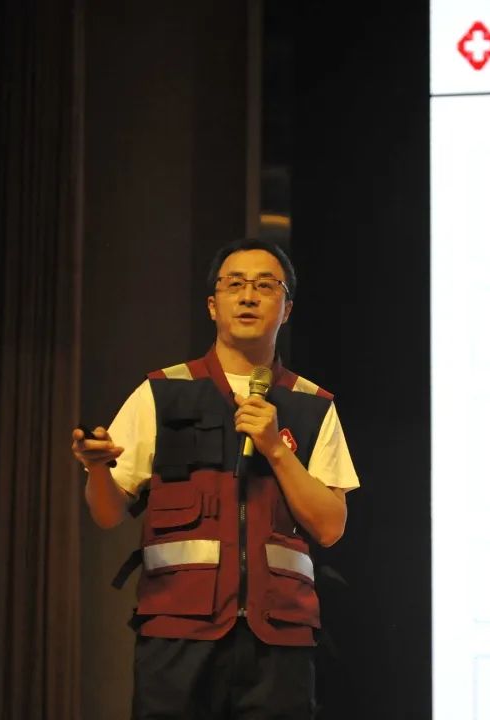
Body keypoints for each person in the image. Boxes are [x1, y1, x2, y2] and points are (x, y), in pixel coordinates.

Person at [71, 238, 359, 719]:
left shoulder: (312, 405)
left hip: (279, 639)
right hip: (177, 634)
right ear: (212, 304)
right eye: (235, 285)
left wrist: (275, 448)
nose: (248, 297)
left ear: (286, 309)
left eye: (265, 286)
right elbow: (106, 513)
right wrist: (98, 468)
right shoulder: (162, 392)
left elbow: (330, 526)